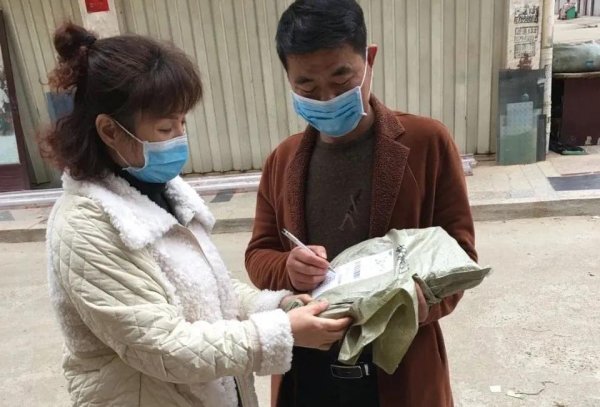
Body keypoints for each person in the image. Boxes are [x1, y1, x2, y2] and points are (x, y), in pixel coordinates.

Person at [41, 22, 351, 407]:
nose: (179, 138)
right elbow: (162, 347)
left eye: (182, 122)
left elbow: (209, 292)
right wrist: (281, 331)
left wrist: (278, 306)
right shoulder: (83, 227)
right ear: (109, 130)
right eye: (165, 127)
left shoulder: (162, 191)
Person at [245, 1, 476, 406]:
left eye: (342, 78)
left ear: (369, 59)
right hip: (307, 373)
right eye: (307, 87)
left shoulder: (427, 143)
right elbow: (259, 253)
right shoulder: (282, 160)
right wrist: (288, 268)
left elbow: (460, 253)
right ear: (288, 79)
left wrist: (420, 300)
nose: (327, 97)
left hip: (397, 371)